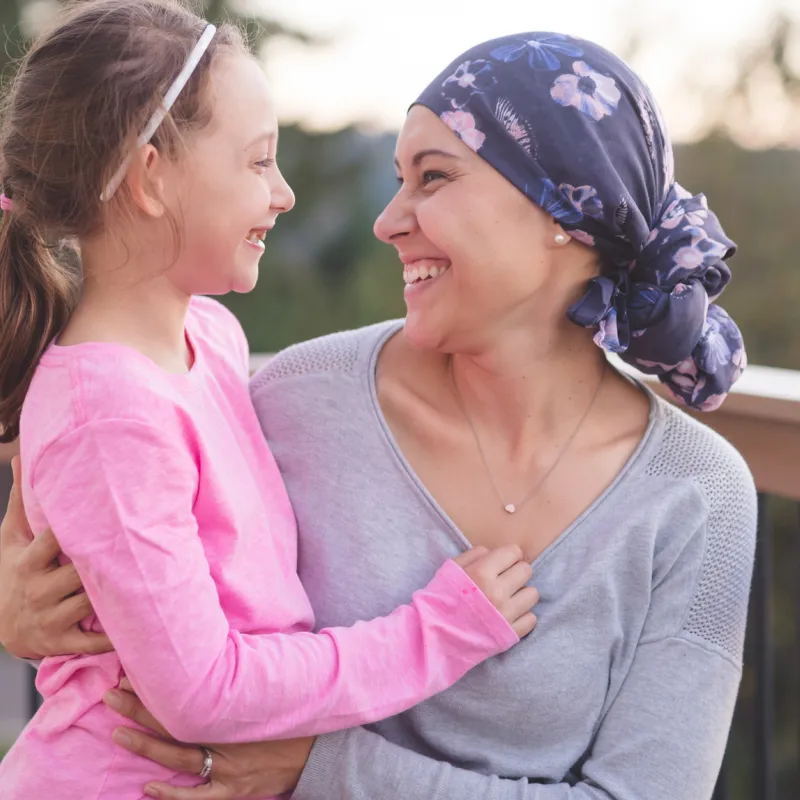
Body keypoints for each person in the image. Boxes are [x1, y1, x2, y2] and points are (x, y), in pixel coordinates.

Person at [0, 30, 757, 800]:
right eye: (397, 178)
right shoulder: (293, 395)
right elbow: (119, 541)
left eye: (433, 177)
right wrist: (12, 609)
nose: (386, 220)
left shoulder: (698, 497)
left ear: (562, 208)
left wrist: (321, 766)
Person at [0, 4, 540, 798]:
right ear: (151, 177)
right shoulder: (105, 410)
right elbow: (201, 690)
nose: (283, 193)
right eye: (258, 162)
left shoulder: (209, 338)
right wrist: (438, 631)